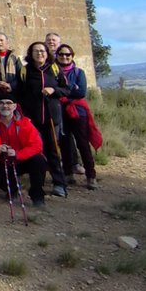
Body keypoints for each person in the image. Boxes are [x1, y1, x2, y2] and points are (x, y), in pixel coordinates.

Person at [17, 41, 69, 197]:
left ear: (47, 53)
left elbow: (66, 89)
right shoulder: (25, 71)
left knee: (53, 151)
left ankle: (59, 183)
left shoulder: (54, 69)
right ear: (30, 54)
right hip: (33, 119)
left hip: (52, 118)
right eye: (36, 51)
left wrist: (54, 90)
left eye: (42, 51)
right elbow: (20, 93)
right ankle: (37, 185)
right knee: (35, 152)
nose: (39, 53)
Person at [0, 97, 48, 208]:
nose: (5, 106)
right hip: (3, 161)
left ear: (15, 106)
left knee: (39, 160)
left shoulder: (25, 123)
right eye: (1, 103)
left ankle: (37, 196)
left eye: (9, 103)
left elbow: (37, 145)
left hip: (21, 160)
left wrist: (18, 154)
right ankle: (13, 189)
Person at [55, 44, 97, 190]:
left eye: (67, 55)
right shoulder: (54, 72)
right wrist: (71, 88)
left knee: (83, 143)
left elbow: (81, 92)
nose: (64, 57)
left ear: (72, 56)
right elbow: (59, 90)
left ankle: (91, 176)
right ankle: (68, 174)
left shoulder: (79, 72)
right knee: (65, 143)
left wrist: (62, 91)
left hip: (78, 112)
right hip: (61, 112)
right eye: (61, 54)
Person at [0, 32, 24, 100]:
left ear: (6, 42)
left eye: (1, 40)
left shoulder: (14, 58)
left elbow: (20, 75)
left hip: (12, 94)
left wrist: (10, 86)